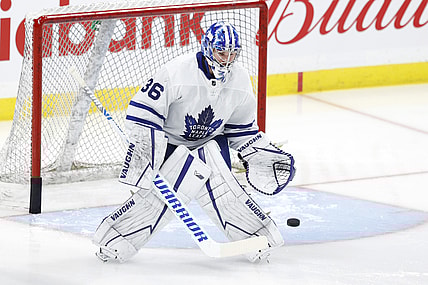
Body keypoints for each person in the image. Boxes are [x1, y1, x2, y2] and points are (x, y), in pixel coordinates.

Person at [92, 21, 295, 263]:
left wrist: (260, 153)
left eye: (233, 53)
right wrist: (145, 159)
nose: (227, 59)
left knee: (224, 192)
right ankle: (114, 240)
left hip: (211, 142)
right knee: (157, 198)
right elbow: (142, 115)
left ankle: (258, 237)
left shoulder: (239, 80)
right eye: (222, 52)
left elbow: (241, 129)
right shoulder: (176, 72)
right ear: (208, 48)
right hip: (169, 145)